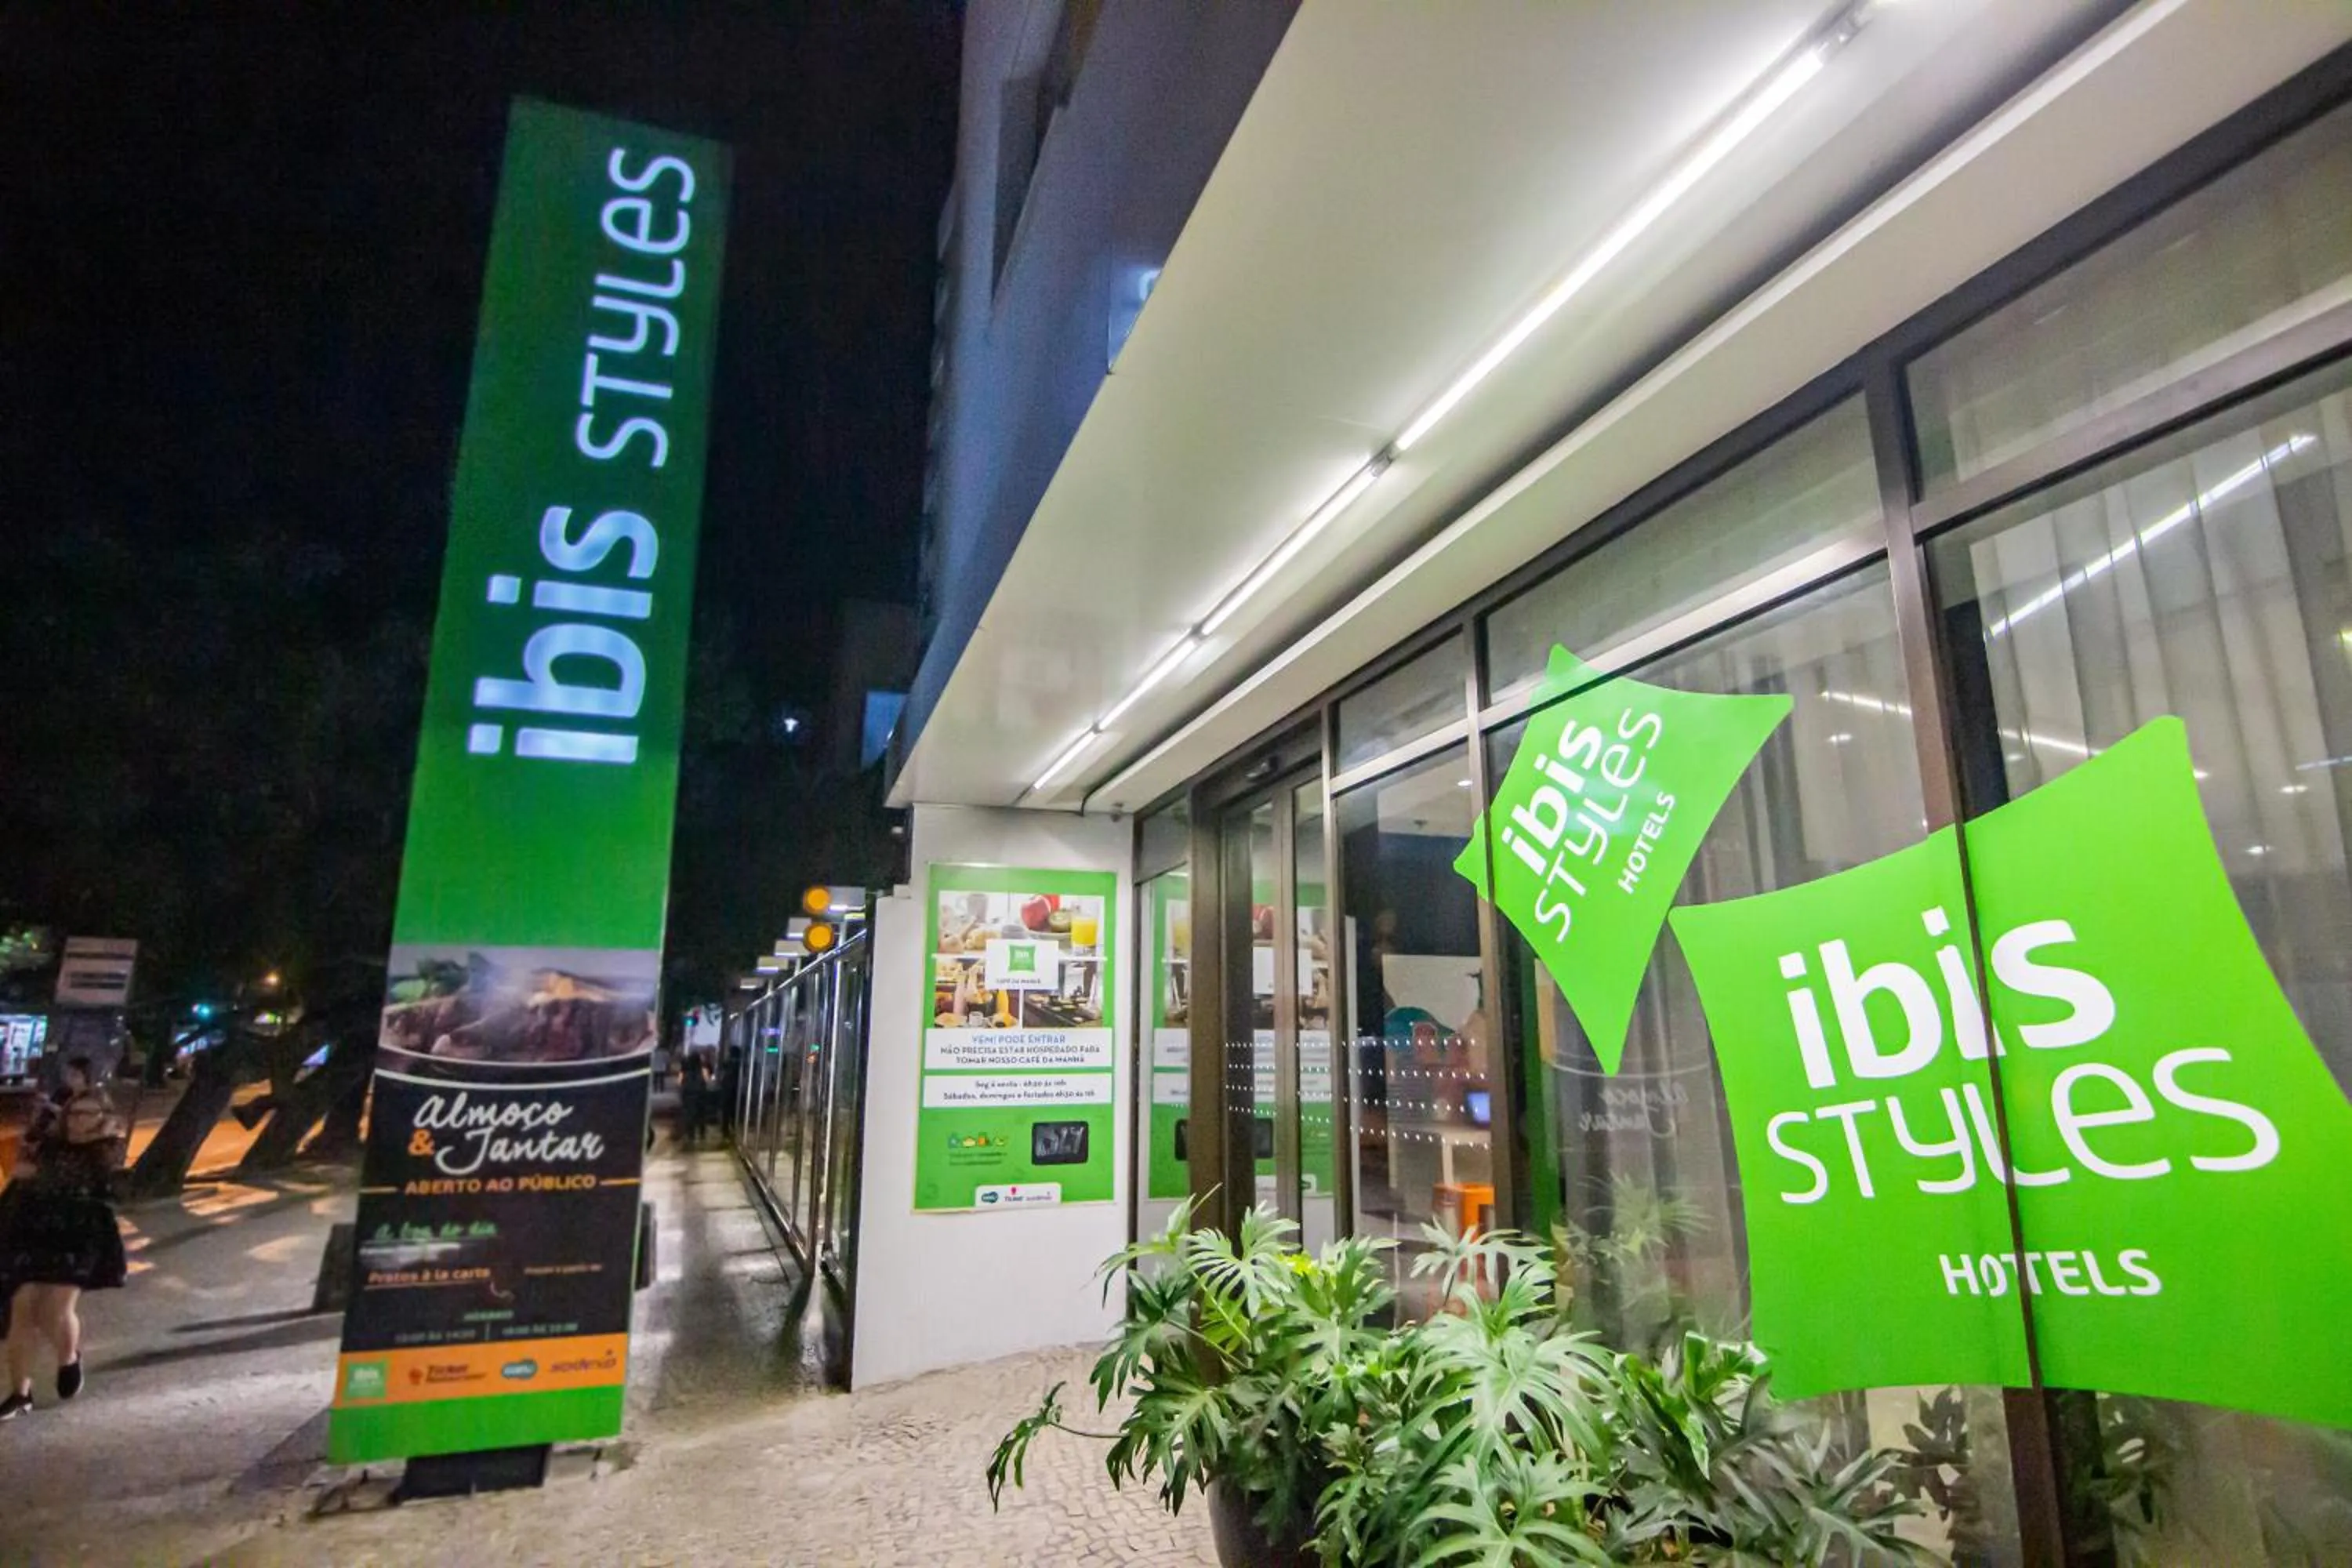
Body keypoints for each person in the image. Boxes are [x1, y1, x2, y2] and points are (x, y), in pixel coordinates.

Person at [0, 1057, 129, 1421]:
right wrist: (26, 1165)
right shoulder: (51, 1144)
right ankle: (19, 1393)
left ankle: (68, 1358)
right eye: (74, 1114)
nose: (79, 1120)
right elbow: (23, 1170)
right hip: (38, 1230)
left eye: (88, 1115)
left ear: (102, 1117)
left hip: (80, 1237)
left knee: (54, 1310)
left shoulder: (106, 1151)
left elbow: (111, 1191)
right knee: (21, 1307)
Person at [677, 1047, 710, 1149]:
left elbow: (679, 1082)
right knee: (701, 1114)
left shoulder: (685, 1070)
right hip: (700, 1094)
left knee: (689, 1114)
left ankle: (691, 1135)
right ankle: (702, 1133)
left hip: (688, 1095)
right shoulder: (703, 1069)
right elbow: (707, 1080)